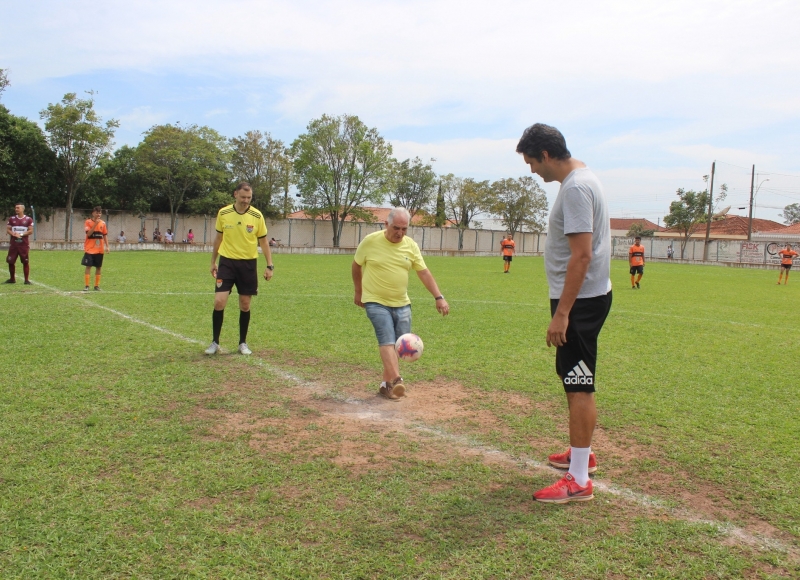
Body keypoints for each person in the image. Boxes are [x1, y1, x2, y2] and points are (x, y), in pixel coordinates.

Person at [517, 123, 611, 504]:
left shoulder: (574, 189)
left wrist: (563, 314)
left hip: (581, 301)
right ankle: (579, 456)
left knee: (578, 383)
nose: (532, 171)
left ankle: (578, 481)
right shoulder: (582, 175)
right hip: (586, 298)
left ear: (546, 155)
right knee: (573, 377)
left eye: (531, 162)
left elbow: (582, 255)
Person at [352, 207, 450, 400]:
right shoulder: (370, 242)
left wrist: (438, 296)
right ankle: (397, 380)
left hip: (402, 303)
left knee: (399, 345)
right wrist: (358, 291)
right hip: (375, 301)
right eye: (396, 228)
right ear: (386, 224)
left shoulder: (411, 245)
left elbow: (423, 272)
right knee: (386, 338)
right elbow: (356, 265)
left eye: (404, 229)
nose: (400, 233)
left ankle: (386, 385)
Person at [206, 182, 274, 355]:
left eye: (249, 198)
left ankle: (242, 343)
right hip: (227, 263)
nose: (246, 200)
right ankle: (214, 342)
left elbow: (264, 242)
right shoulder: (224, 213)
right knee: (219, 302)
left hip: (248, 264)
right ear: (235, 194)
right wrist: (213, 261)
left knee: (245, 305)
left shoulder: (257, 216)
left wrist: (269, 265)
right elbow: (218, 239)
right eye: (243, 197)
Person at [4, 202, 34, 285]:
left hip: (23, 245)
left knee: (25, 262)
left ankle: (26, 280)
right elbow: (8, 229)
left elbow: (31, 231)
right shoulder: (12, 219)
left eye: (18, 208)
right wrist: (12, 233)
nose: (16, 209)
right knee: (10, 261)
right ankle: (12, 279)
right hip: (14, 245)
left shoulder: (28, 219)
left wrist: (21, 234)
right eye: (15, 208)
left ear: (22, 209)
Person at [82, 206, 109, 291]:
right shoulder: (88, 222)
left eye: (100, 213)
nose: (99, 214)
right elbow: (89, 234)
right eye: (97, 212)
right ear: (93, 213)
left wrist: (107, 246)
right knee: (88, 266)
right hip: (89, 249)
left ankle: (96, 286)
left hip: (99, 249)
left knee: (98, 267)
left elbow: (105, 235)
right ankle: (87, 286)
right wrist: (95, 224)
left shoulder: (103, 223)